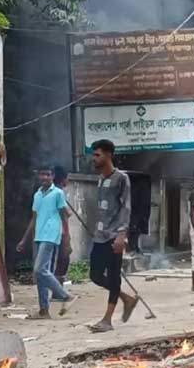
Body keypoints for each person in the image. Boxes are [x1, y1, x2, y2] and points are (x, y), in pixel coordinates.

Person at [85, 141, 138, 332]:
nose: (94, 158)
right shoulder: (100, 179)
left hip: (114, 236)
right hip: (100, 235)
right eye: (94, 155)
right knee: (95, 275)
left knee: (114, 276)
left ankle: (107, 320)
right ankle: (126, 298)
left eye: (98, 155)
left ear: (109, 155)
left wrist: (121, 235)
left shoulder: (121, 179)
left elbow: (126, 207)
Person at [17, 166, 76, 320]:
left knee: (39, 269)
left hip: (51, 235)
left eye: (48, 175)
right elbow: (34, 219)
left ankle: (65, 295)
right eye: (42, 174)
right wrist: (24, 239)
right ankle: (44, 310)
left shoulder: (58, 193)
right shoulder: (37, 195)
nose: (45, 177)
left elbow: (64, 216)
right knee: (40, 274)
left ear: (52, 176)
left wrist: (67, 239)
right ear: (39, 176)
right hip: (39, 235)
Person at [52, 165, 72, 284]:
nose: (68, 180)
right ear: (62, 179)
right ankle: (57, 289)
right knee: (63, 258)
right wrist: (67, 236)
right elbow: (65, 215)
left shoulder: (56, 192)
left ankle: (57, 288)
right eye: (67, 178)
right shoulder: (58, 193)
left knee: (61, 259)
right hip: (60, 231)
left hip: (55, 231)